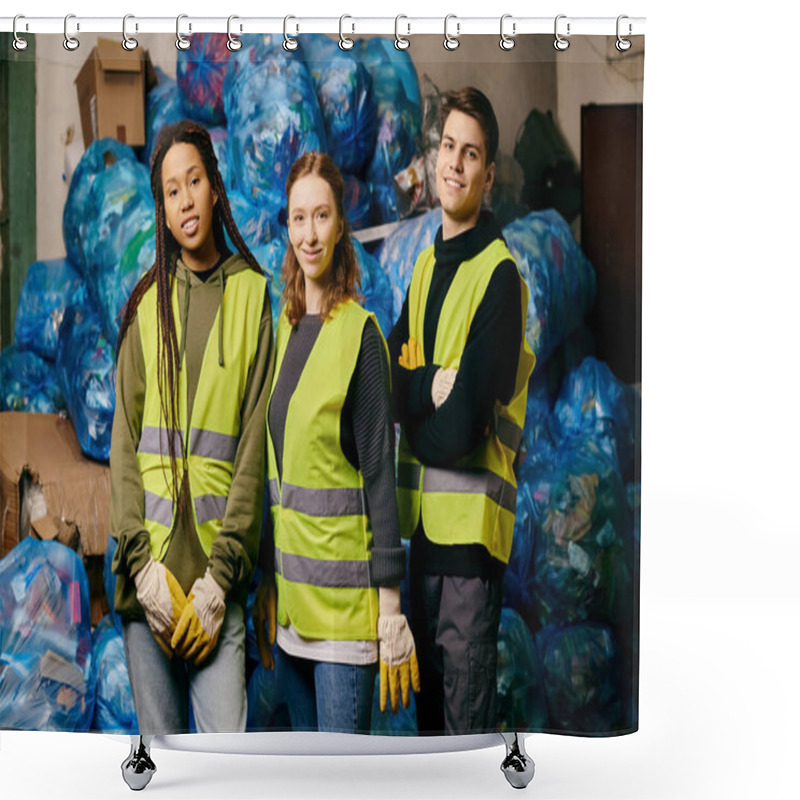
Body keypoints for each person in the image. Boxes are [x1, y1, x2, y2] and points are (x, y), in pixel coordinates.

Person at [110, 120, 273, 737]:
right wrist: (141, 569)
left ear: (214, 189)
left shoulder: (253, 299)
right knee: (166, 771)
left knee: (223, 769)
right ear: (163, 207)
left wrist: (218, 585)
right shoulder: (145, 304)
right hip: (146, 587)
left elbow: (254, 455)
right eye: (171, 190)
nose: (184, 200)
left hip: (216, 591)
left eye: (194, 182)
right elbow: (123, 448)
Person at [253, 151, 419, 734]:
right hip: (294, 615)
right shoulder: (287, 328)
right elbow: (285, 477)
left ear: (340, 224)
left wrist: (391, 611)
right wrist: (270, 584)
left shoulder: (362, 336)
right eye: (298, 219)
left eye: (320, 216)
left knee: (341, 786)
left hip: (346, 626)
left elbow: (378, 476)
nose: (309, 233)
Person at [388, 87, 536, 735]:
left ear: (488, 174)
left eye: (470, 153)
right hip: (421, 541)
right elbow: (391, 385)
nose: (455, 163)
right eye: (448, 146)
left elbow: (462, 430)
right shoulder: (423, 267)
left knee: (463, 742)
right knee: (426, 740)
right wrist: (425, 389)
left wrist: (419, 408)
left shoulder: (500, 279)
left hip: (471, 556)